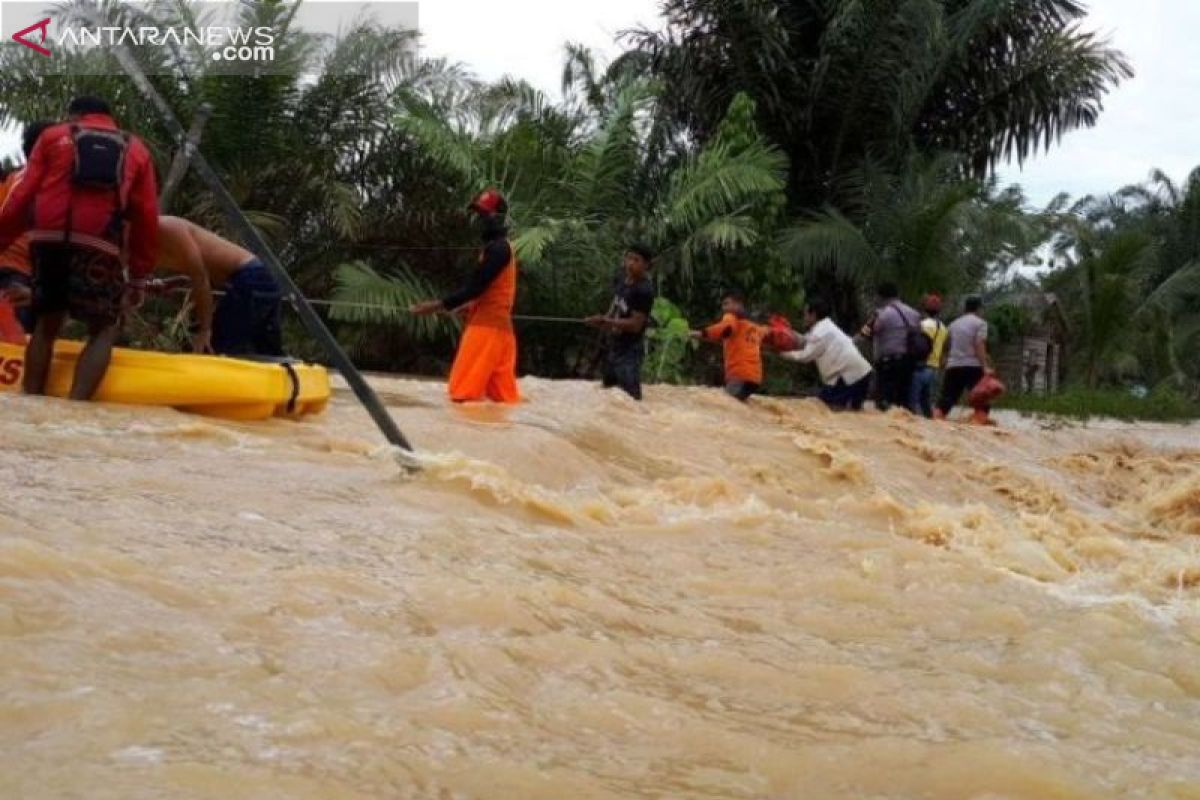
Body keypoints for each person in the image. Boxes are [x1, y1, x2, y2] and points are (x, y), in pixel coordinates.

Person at [0, 97, 158, 400]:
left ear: (73, 115)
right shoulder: (136, 149)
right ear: (110, 118)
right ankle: (77, 406)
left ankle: (30, 399)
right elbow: (146, 216)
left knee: (47, 323)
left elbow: (23, 197)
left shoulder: (53, 137)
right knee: (104, 327)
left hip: (48, 240)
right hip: (99, 244)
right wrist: (139, 276)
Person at [411, 188, 520, 404]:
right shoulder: (499, 248)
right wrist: (469, 307)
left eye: (485, 215)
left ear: (499, 218)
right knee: (503, 402)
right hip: (500, 332)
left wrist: (437, 305)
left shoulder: (498, 250)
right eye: (479, 215)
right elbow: (490, 291)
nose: (481, 220)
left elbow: (475, 288)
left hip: (486, 331)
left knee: (461, 395)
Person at [151, 216, 283, 356]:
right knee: (264, 351)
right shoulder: (145, 242)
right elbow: (201, 274)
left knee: (214, 348)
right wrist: (170, 283)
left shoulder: (167, 227)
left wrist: (205, 330)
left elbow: (200, 279)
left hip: (251, 277)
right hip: (255, 279)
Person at [0, 121, 54, 344]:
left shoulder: (14, 179)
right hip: (17, 277)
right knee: (15, 352)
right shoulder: (53, 183)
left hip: (16, 274)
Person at [585, 243, 655, 401]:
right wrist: (604, 320)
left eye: (636, 260)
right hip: (613, 344)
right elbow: (616, 302)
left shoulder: (644, 290)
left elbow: (636, 325)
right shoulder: (621, 278)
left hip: (630, 350)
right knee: (609, 391)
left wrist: (606, 321)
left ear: (646, 265)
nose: (630, 263)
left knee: (630, 398)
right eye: (628, 258)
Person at [782, 299, 874, 411]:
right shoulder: (826, 326)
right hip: (859, 374)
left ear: (813, 315)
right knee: (851, 413)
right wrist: (787, 333)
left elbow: (805, 356)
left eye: (805, 313)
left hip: (848, 377)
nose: (804, 317)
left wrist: (782, 353)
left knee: (825, 409)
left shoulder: (820, 333)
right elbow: (805, 340)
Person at [859, 282, 922, 412]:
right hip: (909, 362)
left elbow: (868, 333)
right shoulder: (914, 313)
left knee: (885, 401)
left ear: (880, 297)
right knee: (903, 401)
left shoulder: (883, 314)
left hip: (889, 364)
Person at [692, 291, 766, 401]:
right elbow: (767, 335)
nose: (724, 308)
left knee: (727, 403)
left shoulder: (731, 318)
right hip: (755, 377)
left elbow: (726, 328)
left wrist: (700, 333)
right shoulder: (754, 327)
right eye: (723, 305)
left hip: (739, 374)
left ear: (738, 304)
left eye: (727, 303)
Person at [936, 295, 994, 424]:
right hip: (973, 366)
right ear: (979, 308)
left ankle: (934, 423)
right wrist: (985, 366)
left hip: (953, 366)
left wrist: (943, 360)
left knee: (946, 400)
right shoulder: (980, 323)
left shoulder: (953, 324)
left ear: (965, 308)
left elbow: (945, 345)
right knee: (981, 402)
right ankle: (978, 429)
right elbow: (979, 344)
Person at [908, 293, 949, 418]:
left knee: (912, 403)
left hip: (921, 366)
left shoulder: (923, 325)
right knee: (926, 402)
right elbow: (944, 349)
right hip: (934, 369)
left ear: (925, 308)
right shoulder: (944, 328)